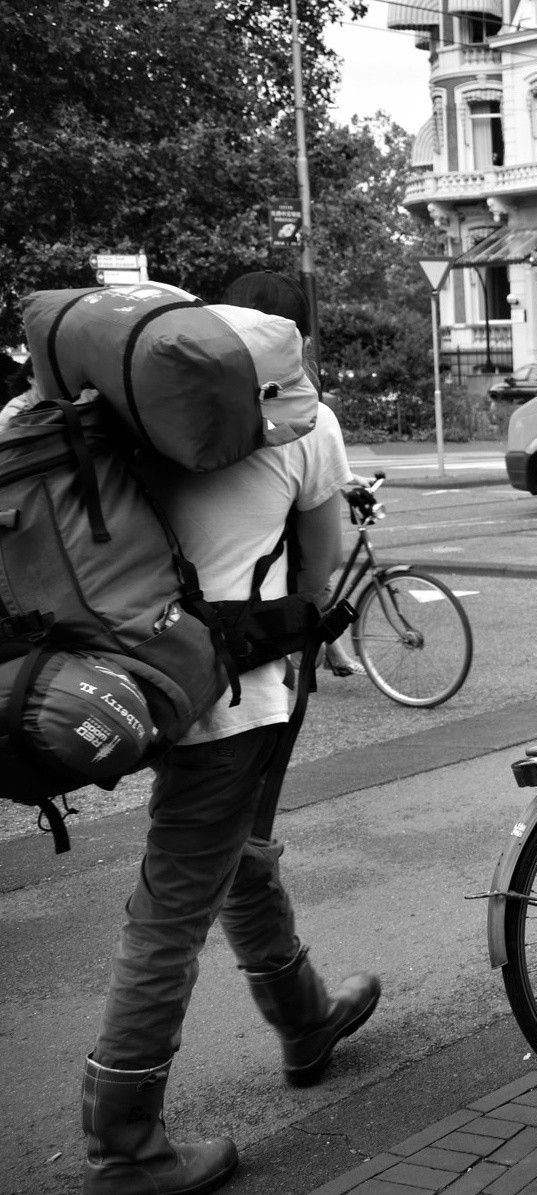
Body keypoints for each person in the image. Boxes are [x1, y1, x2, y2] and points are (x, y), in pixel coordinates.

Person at [81, 278, 381, 1195]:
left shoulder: (120, 412)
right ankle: (124, 1147)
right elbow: (324, 571)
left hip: (130, 672)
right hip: (235, 691)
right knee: (172, 908)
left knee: (238, 854)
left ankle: (303, 1017)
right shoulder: (306, 423)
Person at [224, 272, 365, 679]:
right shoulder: (312, 418)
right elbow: (322, 564)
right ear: (302, 346)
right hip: (251, 657)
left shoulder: (173, 406)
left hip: (163, 652)